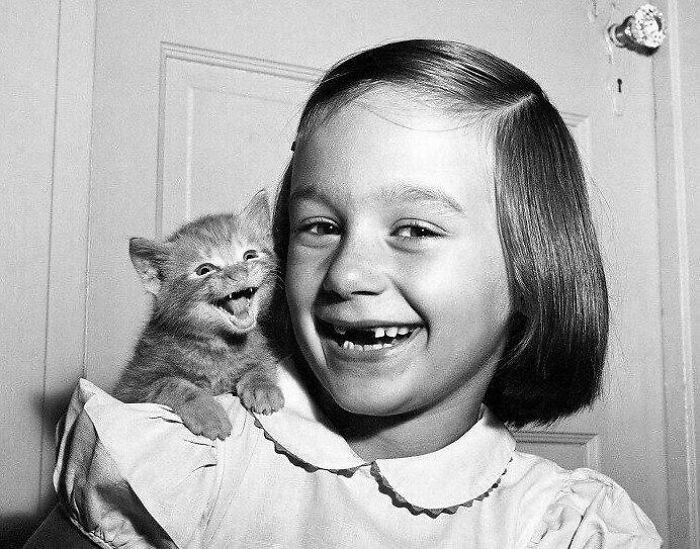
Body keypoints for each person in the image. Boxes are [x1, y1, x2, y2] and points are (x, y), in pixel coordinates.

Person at [46, 39, 661, 548]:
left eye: (415, 229)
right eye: (320, 227)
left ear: (537, 268)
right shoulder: (180, 464)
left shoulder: (565, 528)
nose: (345, 275)